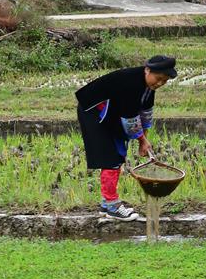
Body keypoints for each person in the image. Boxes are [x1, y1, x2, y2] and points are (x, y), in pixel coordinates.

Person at [75, 56, 177, 221]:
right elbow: (130, 120)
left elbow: (145, 113)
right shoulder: (131, 83)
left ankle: (106, 203)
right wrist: (142, 140)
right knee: (111, 157)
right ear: (147, 70)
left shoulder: (148, 87)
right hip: (95, 111)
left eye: (164, 81)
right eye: (158, 79)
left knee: (117, 154)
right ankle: (111, 205)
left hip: (113, 113)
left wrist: (145, 138)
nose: (159, 84)